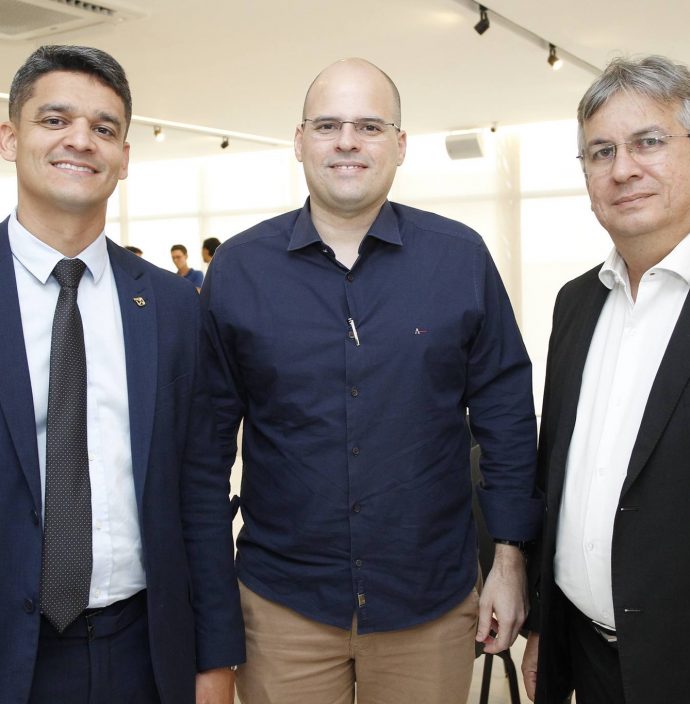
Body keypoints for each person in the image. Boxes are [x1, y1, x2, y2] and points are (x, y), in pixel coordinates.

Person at [202, 57, 542, 704]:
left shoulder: (460, 258)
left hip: (429, 603)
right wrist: (209, 587)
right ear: (299, 140)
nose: (348, 142)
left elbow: (506, 418)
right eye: (328, 125)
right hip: (282, 606)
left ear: (400, 144)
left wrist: (509, 559)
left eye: (369, 126)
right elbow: (204, 446)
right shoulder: (240, 270)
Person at [0, 45, 244, 704]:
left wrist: (216, 657)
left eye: (103, 128)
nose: (81, 140)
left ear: (125, 156)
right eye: (55, 120)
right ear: (10, 138)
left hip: (146, 651)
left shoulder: (171, 306)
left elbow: (201, 492)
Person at [521, 55, 690, 704]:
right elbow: (558, 475)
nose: (622, 169)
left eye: (648, 141)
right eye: (601, 152)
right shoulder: (576, 302)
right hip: (591, 658)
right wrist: (545, 626)